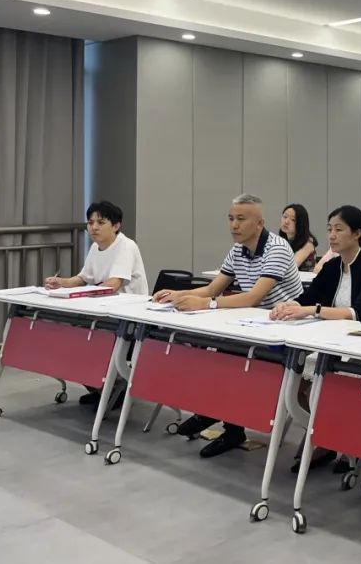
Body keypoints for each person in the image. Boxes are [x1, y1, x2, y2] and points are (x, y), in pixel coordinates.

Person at [152, 193, 303, 458]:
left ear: (259, 223)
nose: (234, 225)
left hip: (285, 329)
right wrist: (177, 295)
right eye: (231, 218)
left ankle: (220, 418)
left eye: (241, 219)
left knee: (229, 358)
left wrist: (206, 304)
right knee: (217, 353)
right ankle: (218, 416)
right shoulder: (238, 249)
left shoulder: (277, 248)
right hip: (254, 324)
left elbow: (253, 297)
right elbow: (212, 288)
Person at [271, 205, 361, 472]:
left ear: (357, 233)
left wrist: (312, 310)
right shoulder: (333, 266)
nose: (332, 236)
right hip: (331, 340)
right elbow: (308, 297)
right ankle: (328, 436)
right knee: (295, 383)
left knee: (332, 386)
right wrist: (288, 305)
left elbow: (358, 312)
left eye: (339, 229)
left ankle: (338, 441)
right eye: (329, 229)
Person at [45, 200, 148, 406]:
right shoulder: (95, 247)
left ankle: (113, 390)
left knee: (86, 344)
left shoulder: (126, 246)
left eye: (101, 222)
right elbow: (83, 278)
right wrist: (62, 283)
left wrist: (84, 293)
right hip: (103, 313)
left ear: (116, 226)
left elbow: (113, 285)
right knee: (72, 343)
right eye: (90, 222)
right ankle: (102, 388)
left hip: (128, 318)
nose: (94, 227)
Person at [279, 203, 318, 271]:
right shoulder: (282, 240)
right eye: (285, 217)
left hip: (303, 278)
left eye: (293, 220)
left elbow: (291, 267)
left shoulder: (308, 243)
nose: (286, 221)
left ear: (301, 223)